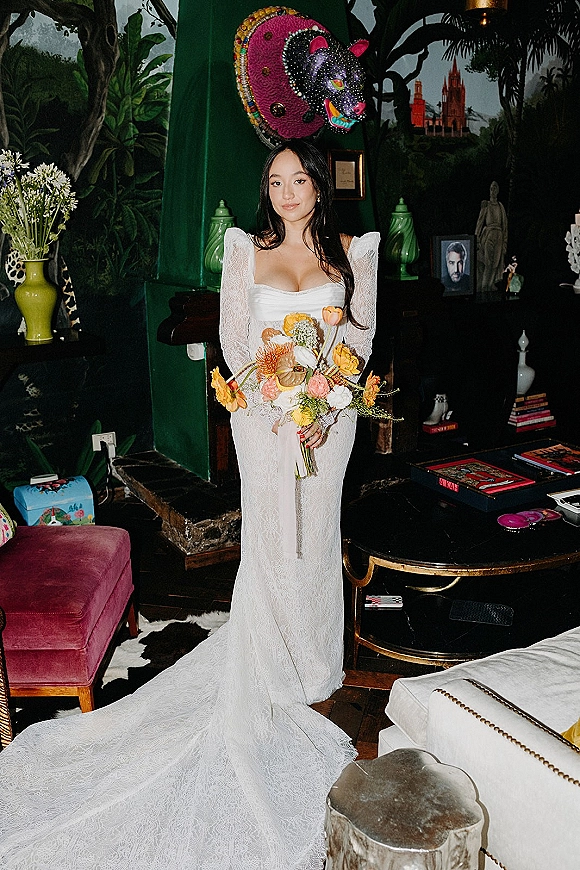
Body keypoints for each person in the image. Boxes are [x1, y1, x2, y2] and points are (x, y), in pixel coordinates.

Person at [0, 140, 380, 870]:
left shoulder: (351, 256)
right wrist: (277, 402)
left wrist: (327, 402)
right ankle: (274, 665)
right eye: (275, 180)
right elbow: (236, 344)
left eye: (299, 178)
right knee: (273, 538)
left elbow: (358, 343)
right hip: (267, 421)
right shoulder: (245, 250)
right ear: (264, 191)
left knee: (317, 535)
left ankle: (315, 662)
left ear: (317, 186)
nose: (289, 190)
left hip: (330, 423)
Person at [475, 180, 508, 294]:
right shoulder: (486, 205)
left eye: (495, 188)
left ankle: (490, 284)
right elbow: (480, 222)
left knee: (496, 262)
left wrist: (504, 242)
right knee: (488, 261)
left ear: (498, 190)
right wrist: (477, 239)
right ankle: (483, 286)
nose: (493, 190)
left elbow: (505, 226)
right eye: (491, 188)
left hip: (498, 234)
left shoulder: (500, 206)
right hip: (488, 234)